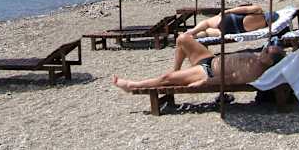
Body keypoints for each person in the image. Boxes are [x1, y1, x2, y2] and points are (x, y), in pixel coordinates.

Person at [112, 38, 285, 92]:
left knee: (166, 78)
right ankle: (175, 73)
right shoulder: (257, 59)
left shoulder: (254, 71)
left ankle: (132, 86)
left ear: (269, 61)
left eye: (267, 51)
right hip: (211, 60)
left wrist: (204, 82)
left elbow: (230, 79)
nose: (263, 50)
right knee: (182, 39)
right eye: (266, 47)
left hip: (207, 73)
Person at [172, 5, 278, 72]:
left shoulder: (259, 10)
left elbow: (243, 9)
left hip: (232, 20)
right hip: (234, 30)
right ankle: (190, 37)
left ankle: (190, 33)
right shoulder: (263, 27)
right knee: (207, 33)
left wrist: (227, 11)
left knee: (206, 23)